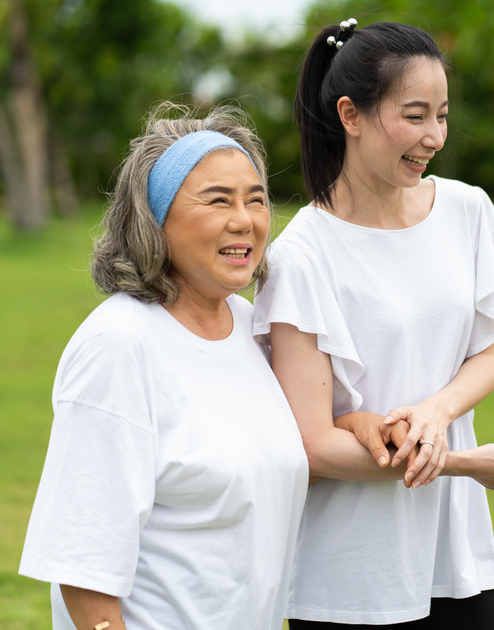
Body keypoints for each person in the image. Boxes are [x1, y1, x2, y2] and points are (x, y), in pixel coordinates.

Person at [253, 20, 494, 629]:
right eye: (414, 116)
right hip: (351, 575)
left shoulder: (467, 210)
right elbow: (313, 444)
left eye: (441, 114)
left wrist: (436, 414)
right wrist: (464, 461)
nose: (434, 136)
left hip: (455, 555)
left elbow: (484, 355)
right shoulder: (302, 255)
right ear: (350, 115)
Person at [19, 102, 309, 630]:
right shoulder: (119, 345)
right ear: (155, 218)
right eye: (218, 200)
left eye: (256, 199)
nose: (243, 220)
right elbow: (84, 564)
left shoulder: (251, 327)